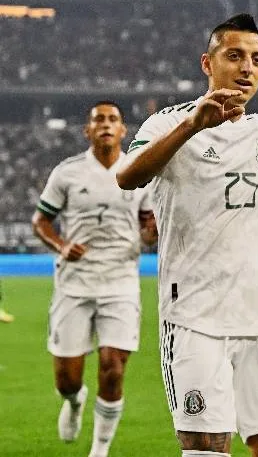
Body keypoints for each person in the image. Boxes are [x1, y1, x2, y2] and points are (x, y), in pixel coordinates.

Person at [117, 14, 258, 457]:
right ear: (208, 62)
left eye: (257, 59)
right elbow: (128, 178)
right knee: (207, 447)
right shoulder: (167, 125)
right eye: (235, 56)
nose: (247, 68)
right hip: (195, 319)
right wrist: (194, 126)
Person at [32, 101, 158, 457]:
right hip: (74, 284)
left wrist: (152, 233)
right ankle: (74, 402)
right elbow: (40, 222)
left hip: (120, 281)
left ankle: (99, 449)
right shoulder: (67, 173)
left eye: (113, 120)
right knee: (68, 380)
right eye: (98, 120)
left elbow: (149, 230)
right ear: (87, 131)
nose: (105, 124)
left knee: (113, 368)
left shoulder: (138, 172)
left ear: (123, 131)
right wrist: (61, 244)